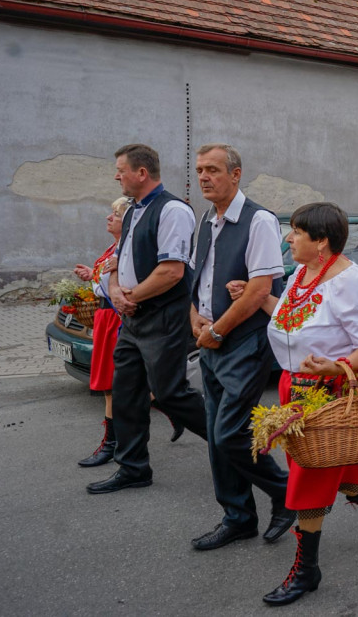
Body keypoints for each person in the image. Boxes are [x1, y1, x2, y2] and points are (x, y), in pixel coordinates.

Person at [235, 202, 358, 606]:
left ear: (321, 241)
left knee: (308, 483)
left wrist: (336, 367)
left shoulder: (355, 282)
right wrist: (258, 300)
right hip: (294, 389)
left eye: (296, 232)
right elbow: (292, 322)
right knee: (334, 474)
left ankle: (307, 570)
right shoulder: (302, 275)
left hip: (328, 396)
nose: (289, 239)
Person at [186, 144, 294, 551]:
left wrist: (216, 332)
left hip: (245, 341)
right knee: (217, 436)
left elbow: (259, 291)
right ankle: (238, 517)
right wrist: (196, 317)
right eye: (199, 170)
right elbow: (200, 278)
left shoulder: (259, 220)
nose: (203, 177)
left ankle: (286, 494)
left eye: (212, 169)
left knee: (230, 433)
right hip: (212, 338)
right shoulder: (207, 221)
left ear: (236, 174)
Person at [87, 144, 207, 495]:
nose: (116, 175)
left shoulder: (172, 210)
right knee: (127, 392)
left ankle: (232, 441)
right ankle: (133, 467)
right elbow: (116, 263)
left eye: (121, 169)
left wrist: (130, 297)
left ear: (142, 173)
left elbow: (171, 272)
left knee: (170, 393)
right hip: (133, 318)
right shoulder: (134, 211)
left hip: (161, 316)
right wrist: (116, 289)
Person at [74, 196, 133, 467]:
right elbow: (104, 281)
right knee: (113, 387)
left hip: (115, 319)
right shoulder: (115, 247)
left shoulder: (126, 251)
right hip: (105, 317)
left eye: (116, 215)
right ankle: (172, 412)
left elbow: (119, 288)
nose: (109, 218)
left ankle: (111, 445)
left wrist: (100, 282)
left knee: (111, 387)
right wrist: (92, 275)